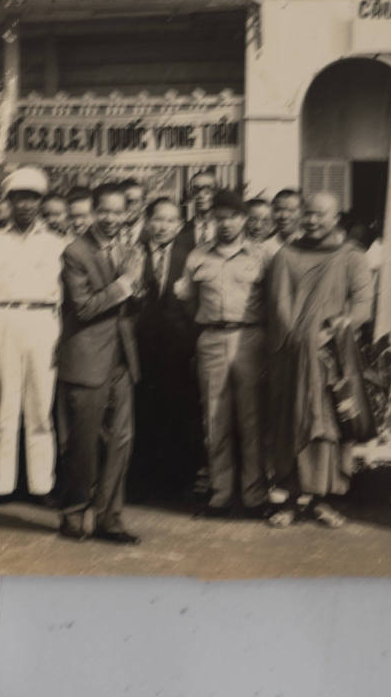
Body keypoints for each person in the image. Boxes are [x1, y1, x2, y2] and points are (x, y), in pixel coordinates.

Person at [264, 192, 375, 528]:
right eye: (308, 214)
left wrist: (337, 327)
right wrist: (299, 339)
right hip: (293, 355)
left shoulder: (351, 257)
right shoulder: (285, 255)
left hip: (331, 355)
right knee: (293, 422)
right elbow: (278, 306)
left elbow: (362, 305)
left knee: (327, 426)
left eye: (320, 215)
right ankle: (291, 499)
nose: (312, 221)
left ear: (336, 217)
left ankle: (323, 500)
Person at [56, 183, 145, 544]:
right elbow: (84, 307)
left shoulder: (129, 250)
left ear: (127, 213)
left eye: (117, 211)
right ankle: (73, 513)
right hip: (87, 357)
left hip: (122, 357)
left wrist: (138, 291)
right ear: (93, 212)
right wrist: (126, 284)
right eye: (104, 211)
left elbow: (133, 305)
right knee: (83, 441)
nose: (111, 218)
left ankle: (110, 517)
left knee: (121, 440)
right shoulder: (75, 252)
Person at [176, 189, 270, 516]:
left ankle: (255, 496)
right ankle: (220, 494)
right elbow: (187, 299)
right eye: (220, 218)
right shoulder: (198, 257)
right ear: (212, 220)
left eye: (233, 217)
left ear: (244, 219)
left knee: (251, 418)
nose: (226, 224)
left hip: (249, 339)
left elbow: (273, 301)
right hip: (211, 339)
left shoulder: (261, 256)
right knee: (215, 418)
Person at [0, 168, 65, 501]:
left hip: (43, 322)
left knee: (41, 407)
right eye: (19, 198)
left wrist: (61, 337)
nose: (26, 205)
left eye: (33, 198)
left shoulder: (58, 243)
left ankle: (41, 484)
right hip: (4, 320)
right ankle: (3, 484)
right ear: (9, 201)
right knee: (5, 407)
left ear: (41, 202)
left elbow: (63, 295)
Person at [130, 197, 200, 501]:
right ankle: (143, 481)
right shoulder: (134, 254)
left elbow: (200, 307)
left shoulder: (191, 257)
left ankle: (178, 482)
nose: (163, 226)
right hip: (141, 347)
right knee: (141, 410)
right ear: (147, 222)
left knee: (179, 411)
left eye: (171, 221)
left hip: (179, 349)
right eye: (158, 219)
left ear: (180, 226)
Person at [185, 170, 219, 248]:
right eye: (195, 190)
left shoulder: (225, 228)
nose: (200, 195)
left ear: (216, 192)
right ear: (191, 194)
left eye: (207, 190)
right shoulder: (181, 232)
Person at [120, 179, 146, 246]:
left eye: (133, 202)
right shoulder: (107, 231)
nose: (126, 207)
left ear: (144, 204)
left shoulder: (153, 231)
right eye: (122, 202)